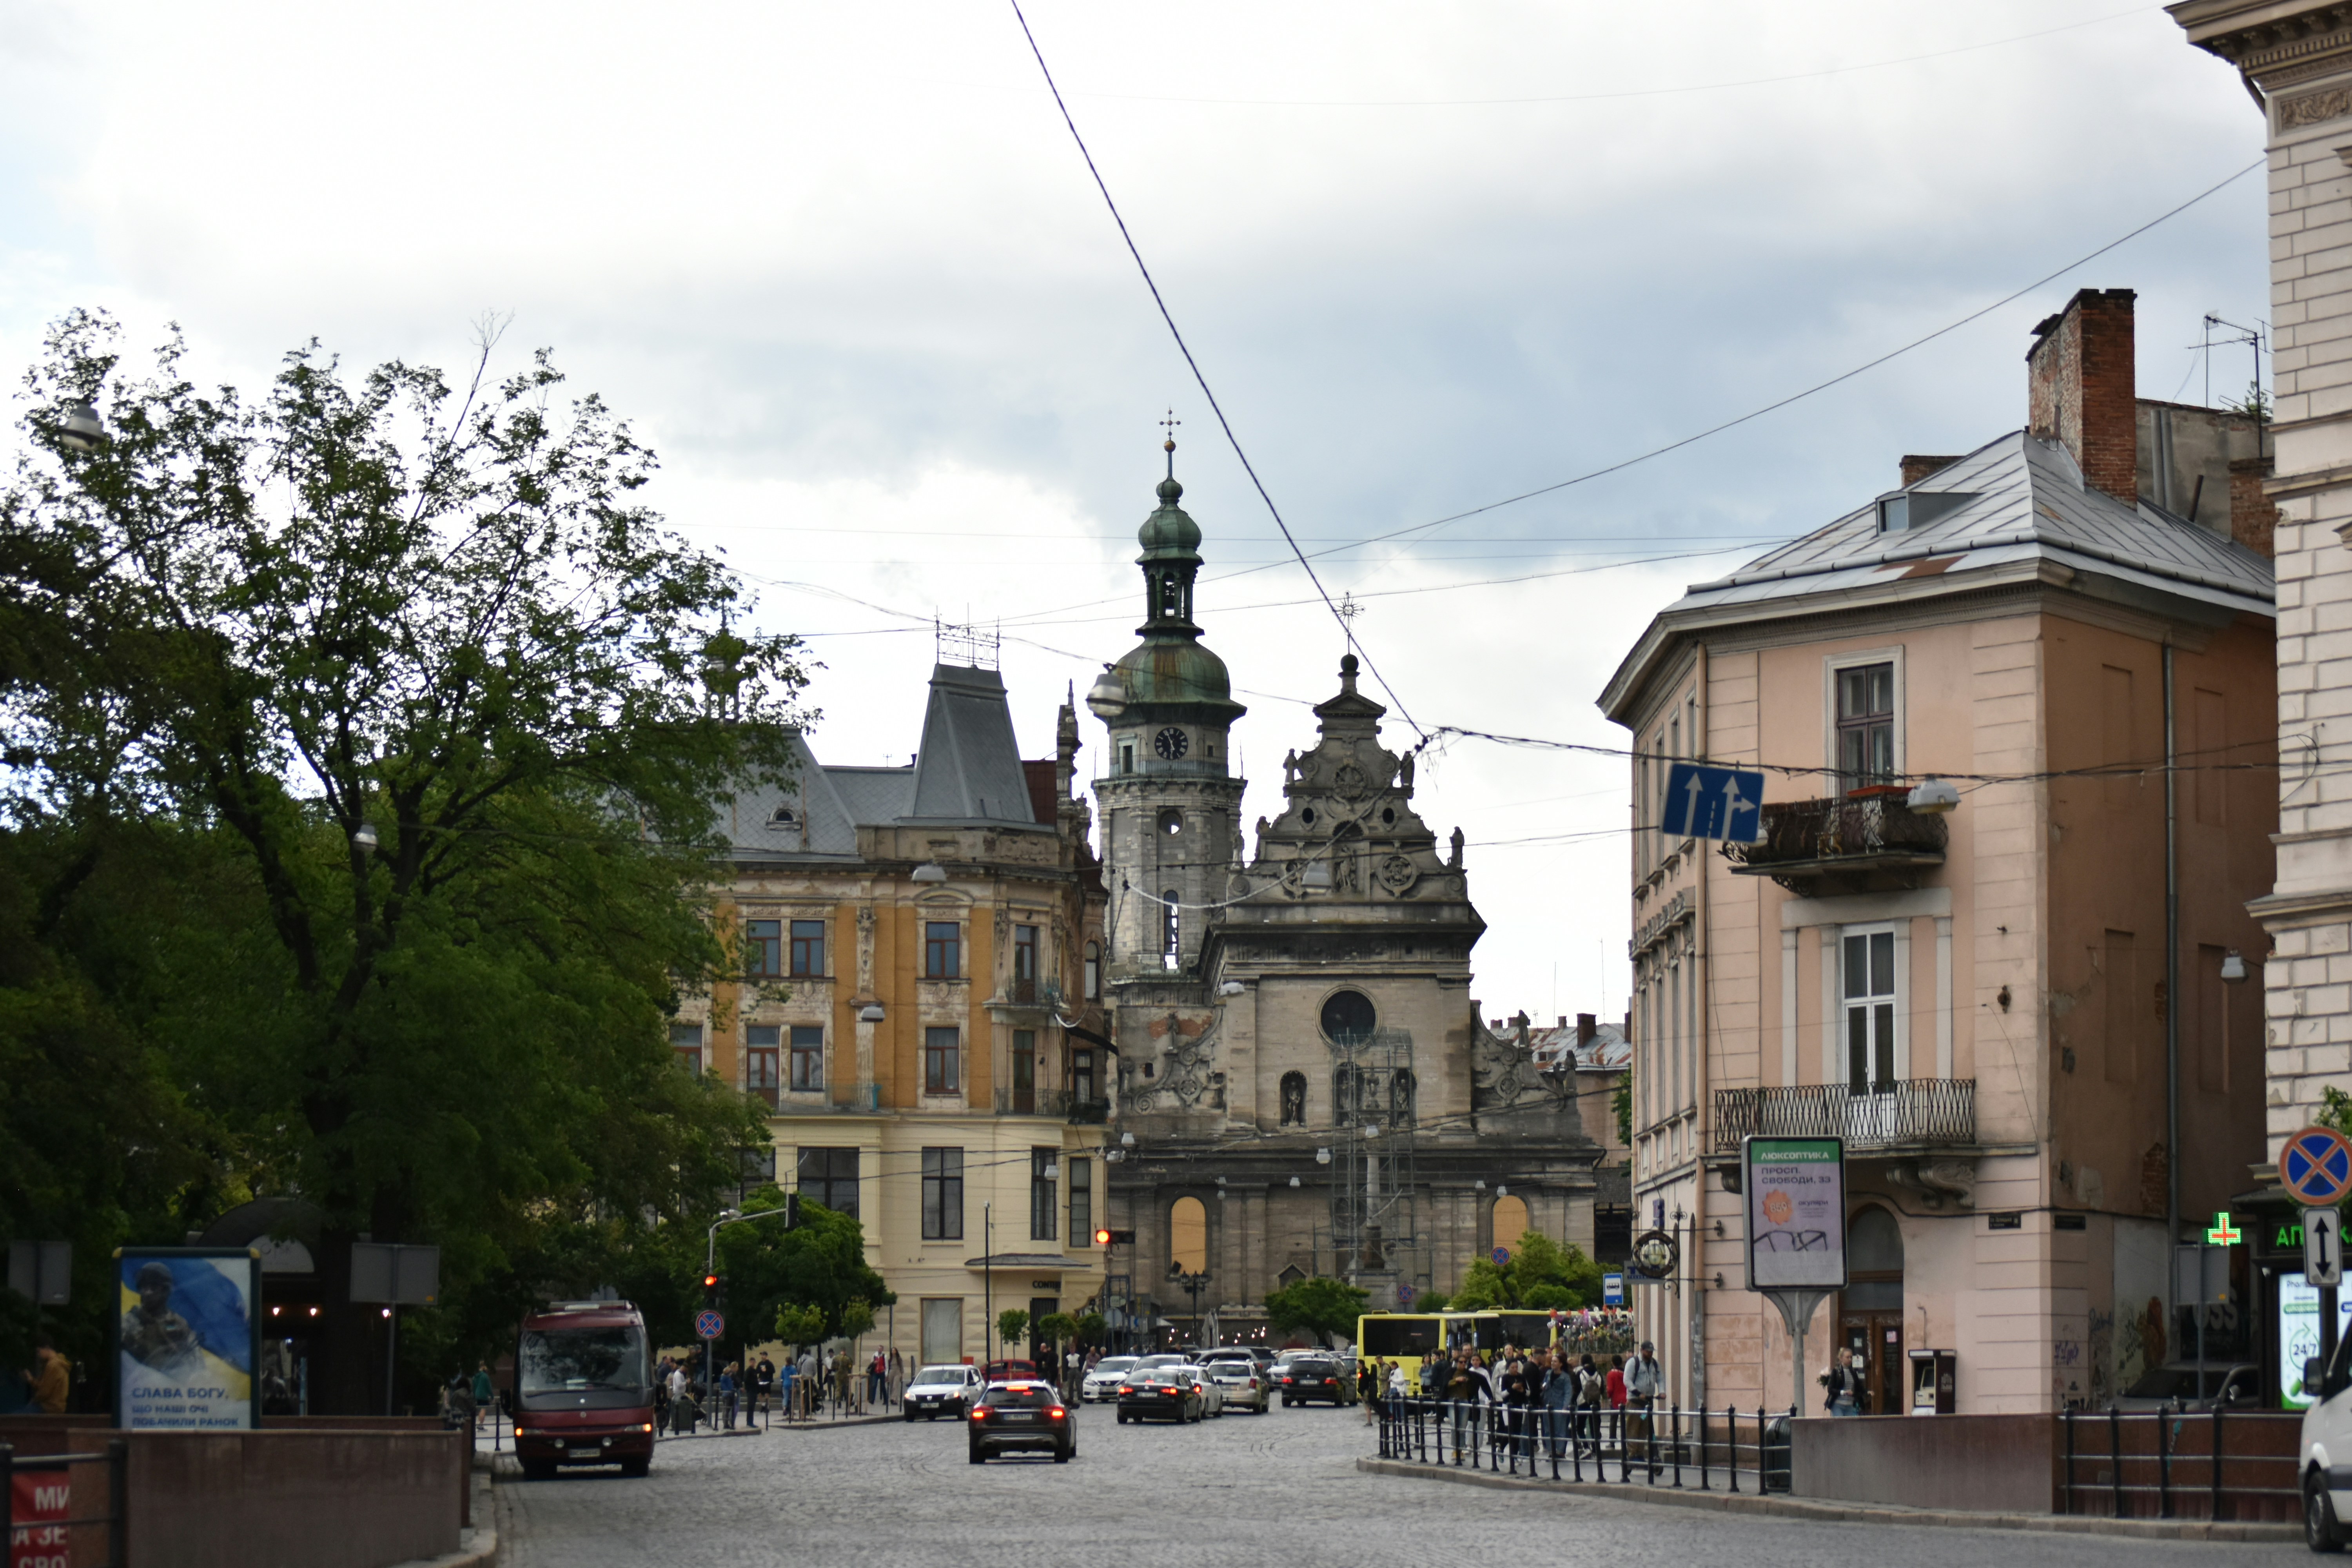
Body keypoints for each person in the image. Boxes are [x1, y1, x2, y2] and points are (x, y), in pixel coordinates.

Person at [1824, 1347, 1865, 1417]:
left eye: (1851, 1357)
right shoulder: (1836, 1371)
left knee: (1850, 1426)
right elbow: (1830, 1389)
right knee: (1840, 1425)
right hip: (1838, 1405)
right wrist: (1843, 1392)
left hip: (1850, 1405)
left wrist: (1865, 1392)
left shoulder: (1853, 1372)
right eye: (1848, 1357)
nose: (1850, 1359)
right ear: (1841, 1358)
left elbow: (1858, 1388)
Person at [472, 1361, 495, 1430]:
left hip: (477, 1395)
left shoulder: (475, 1377)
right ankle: (481, 1424)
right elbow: (489, 1387)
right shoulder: (485, 1376)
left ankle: (480, 1423)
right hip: (483, 1395)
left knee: (480, 1409)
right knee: (483, 1409)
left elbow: (474, 1386)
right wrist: (492, 1396)